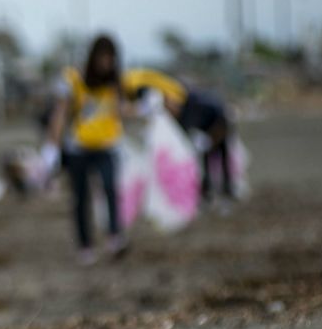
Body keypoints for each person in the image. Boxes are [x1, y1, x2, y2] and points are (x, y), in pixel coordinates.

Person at [46, 34, 130, 266]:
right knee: (80, 198)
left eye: (111, 58)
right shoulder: (73, 79)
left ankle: (115, 236)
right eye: (103, 57)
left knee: (110, 188)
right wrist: (52, 146)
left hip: (107, 145)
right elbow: (60, 113)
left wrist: (144, 110)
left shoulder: (116, 82)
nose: (107, 63)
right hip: (78, 148)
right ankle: (85, 246)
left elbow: (121, 110)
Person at [123, 68, 235, 208]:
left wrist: (210, 141)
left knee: (215, 153)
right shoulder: (140, 82)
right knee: (205, 155)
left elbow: (152, 104)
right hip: (200, 120)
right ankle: (209, 191)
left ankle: (220, 189)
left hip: (207, 122)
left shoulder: (136, 83)